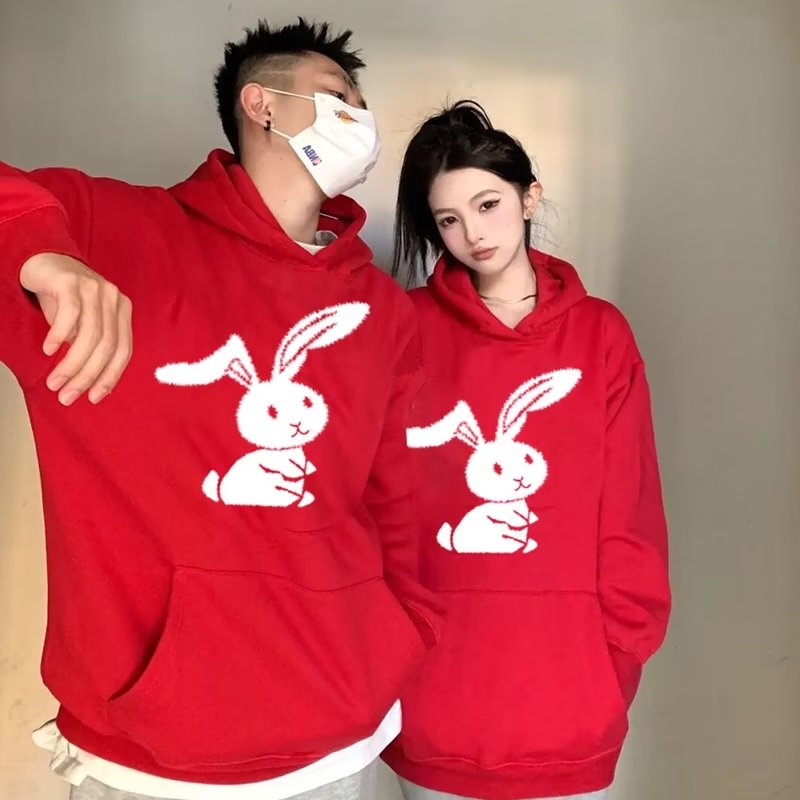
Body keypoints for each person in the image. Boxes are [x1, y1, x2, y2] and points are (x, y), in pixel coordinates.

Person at [0, 18, 441, 800]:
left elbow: (394, 500)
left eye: (362, 102)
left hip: (344, 740)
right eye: (338, 94)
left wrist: (404, 632)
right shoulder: (106, 232)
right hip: (152, 762)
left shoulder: (380, 308)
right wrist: (39, 249)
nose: (360, 117)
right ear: (261, 104)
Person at [382, 101, 671, 800]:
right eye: (449, 220)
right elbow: (379, 501)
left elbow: (630, 507)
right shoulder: (406, 328)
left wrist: (618, 656)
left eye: (487, 205)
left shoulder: (600, 334)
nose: (473, 234)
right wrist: (394, 646)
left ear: (529, 197)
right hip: (434, 698)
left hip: (572, 695)